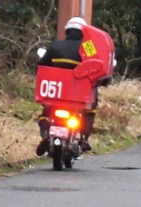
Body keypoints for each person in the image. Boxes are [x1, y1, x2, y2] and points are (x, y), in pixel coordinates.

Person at [36, 16, 97, 156]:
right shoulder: (88, 48)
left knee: (46, 111)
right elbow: (95, 67)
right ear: (83, 33)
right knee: (90, 110)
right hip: (79, 95)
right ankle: (84, 138)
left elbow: (42, 65)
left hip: (56, 92)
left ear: (67, 31)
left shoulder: (56, 45)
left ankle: (46, 133)